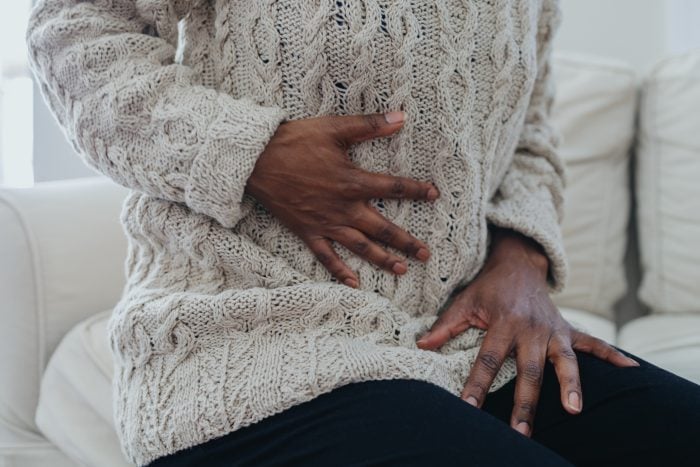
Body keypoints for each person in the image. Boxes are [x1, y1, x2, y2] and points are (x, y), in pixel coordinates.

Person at [25, 0, 700, 466]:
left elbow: (530, 122)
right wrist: (252, 155)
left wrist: (521, 253)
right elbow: (73, 35)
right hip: (247, 352)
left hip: (462, 351)